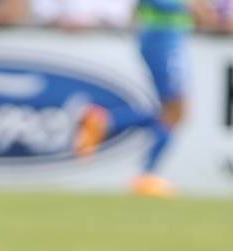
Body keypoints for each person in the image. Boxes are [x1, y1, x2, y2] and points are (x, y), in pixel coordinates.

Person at [73, 0, 192, 197]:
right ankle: (146, 176)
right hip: (161, 37)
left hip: (171, 35)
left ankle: (105, 120)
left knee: (175, 111)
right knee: (174, 109)